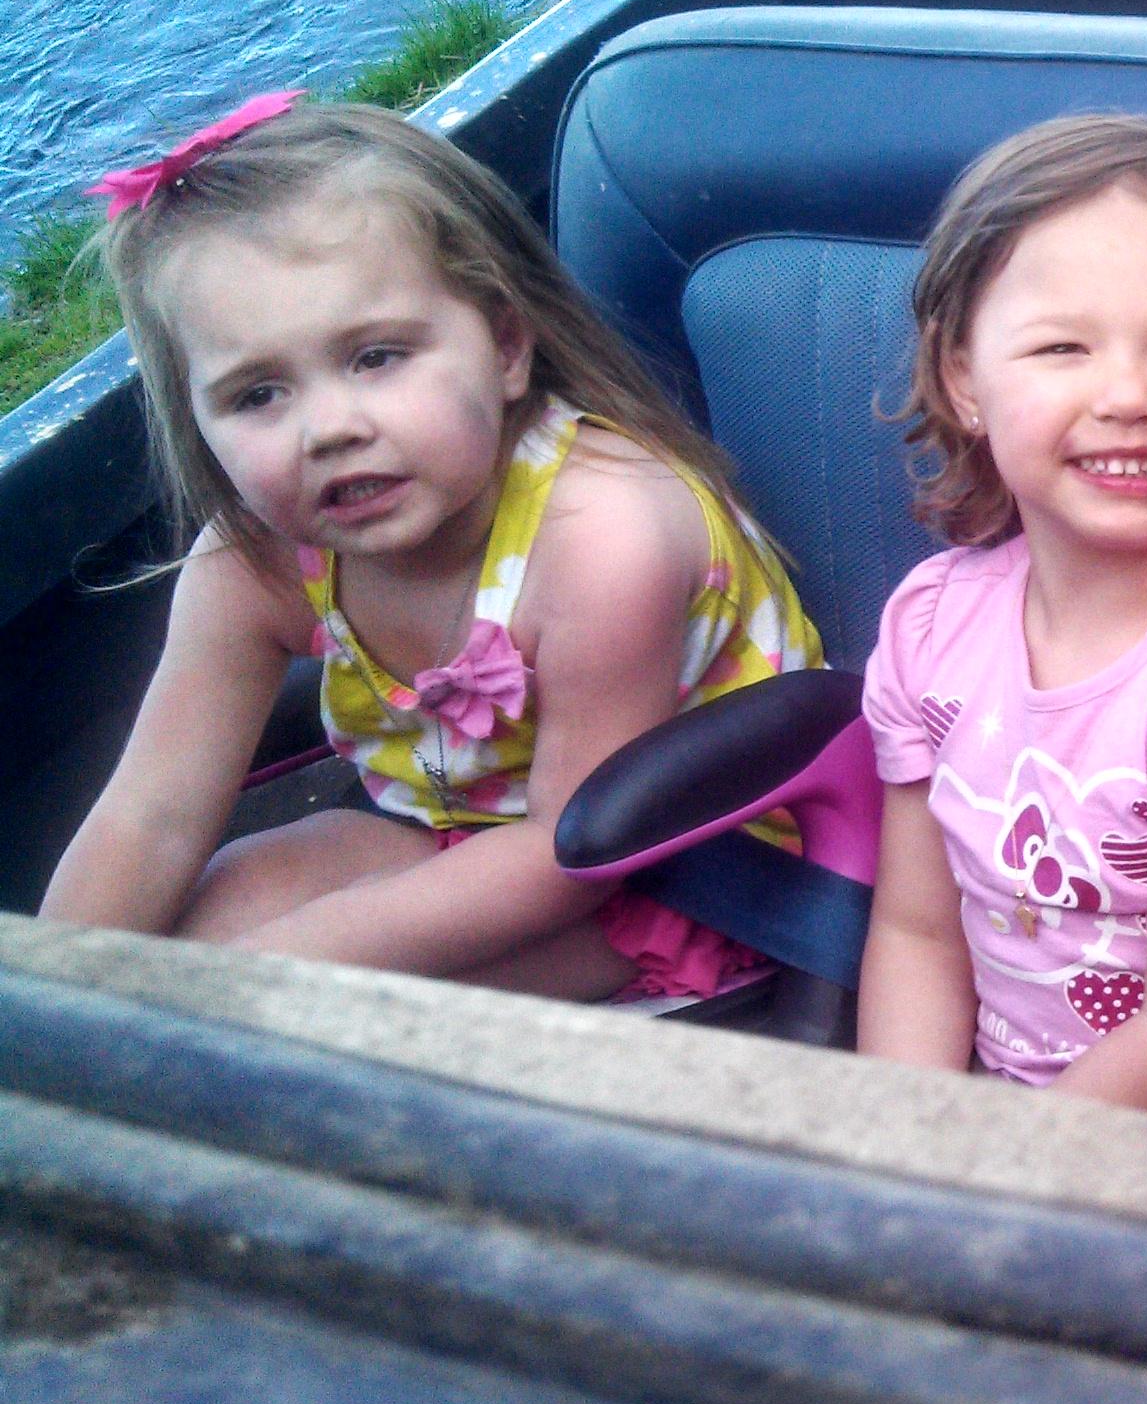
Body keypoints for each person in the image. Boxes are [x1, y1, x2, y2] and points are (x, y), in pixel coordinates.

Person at [43, 93, 818, 1003]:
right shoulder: (250, 564)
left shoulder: (607, 542)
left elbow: (569, 856)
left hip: (679, 870)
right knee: (215, 910)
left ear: (506, 346)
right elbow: (153, 816)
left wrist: (276, 970)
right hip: (463, 834)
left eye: (376, 357)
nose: (329, 428)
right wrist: (44, 996)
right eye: (257, 394)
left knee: (318, 1012)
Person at [854, 114, 1147, 1135]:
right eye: (1062, 347)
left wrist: (985, 1180)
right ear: (963, 380)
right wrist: (904, 1145)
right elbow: (916, 933)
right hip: (986, 1134)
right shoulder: (929, 626)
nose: (1126, 396)